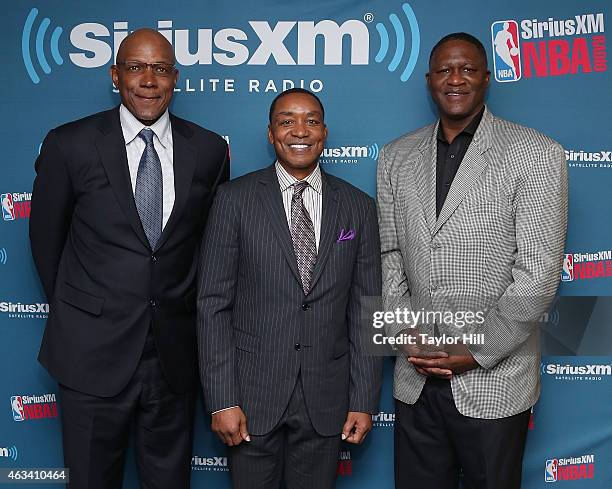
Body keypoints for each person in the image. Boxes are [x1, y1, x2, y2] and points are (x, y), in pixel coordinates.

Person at [29, 28, 229, 488]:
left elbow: (210, 247)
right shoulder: (69, 144)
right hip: (89, 356)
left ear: (175, 79)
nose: (148, 80)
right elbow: (46, 243)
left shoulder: (209, 151)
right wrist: (85, 314)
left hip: (174, 358)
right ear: (115, 75)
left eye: (160, 69)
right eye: (136, 68)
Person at [377, 33, 567, 489]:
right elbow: (390, 255)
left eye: (466, 69)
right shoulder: (394, 157)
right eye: (444, 70)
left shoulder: (537, 154)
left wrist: (475, 352)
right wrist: (407, 333)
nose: (455, 79)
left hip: (495, 383)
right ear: (429, 81)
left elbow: (538, 275)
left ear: (486, 78)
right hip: (415, 380)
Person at [198, 88, 382, 489]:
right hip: (250, 398)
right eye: (287, 121)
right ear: (270, 133)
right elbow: (213, 305)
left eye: (311, 121)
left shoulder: (358, 207)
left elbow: (368, 309)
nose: (300, 130)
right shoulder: (234, 200)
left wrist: (364, 400)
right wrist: (223, 398)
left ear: (325, 131)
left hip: (326, 399)